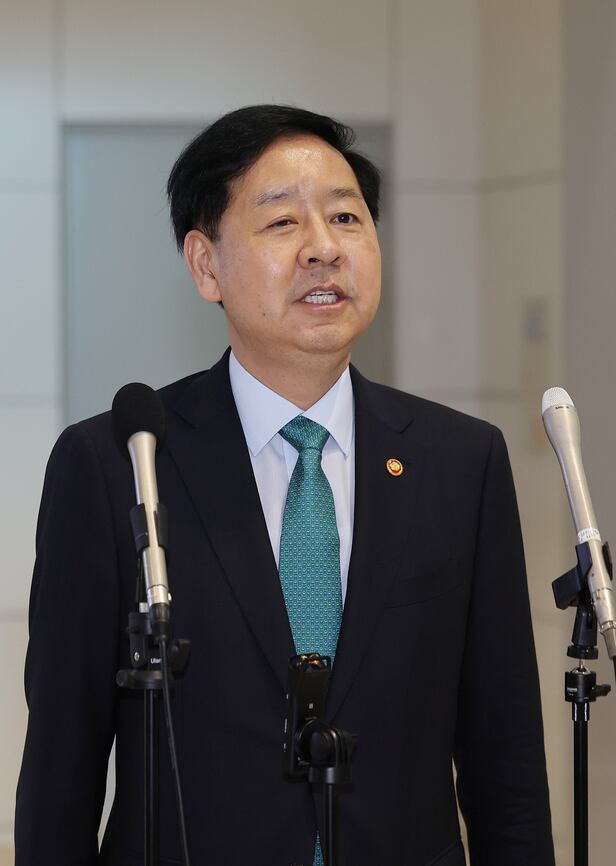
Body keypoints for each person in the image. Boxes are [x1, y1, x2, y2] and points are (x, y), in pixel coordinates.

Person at [15, 105, 555, 866]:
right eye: (281, 223)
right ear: (206, 265)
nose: (324, 248)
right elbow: (59, 774)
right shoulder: (118, 463)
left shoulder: (461, 462)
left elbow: (508, 765)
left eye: (346, 217)